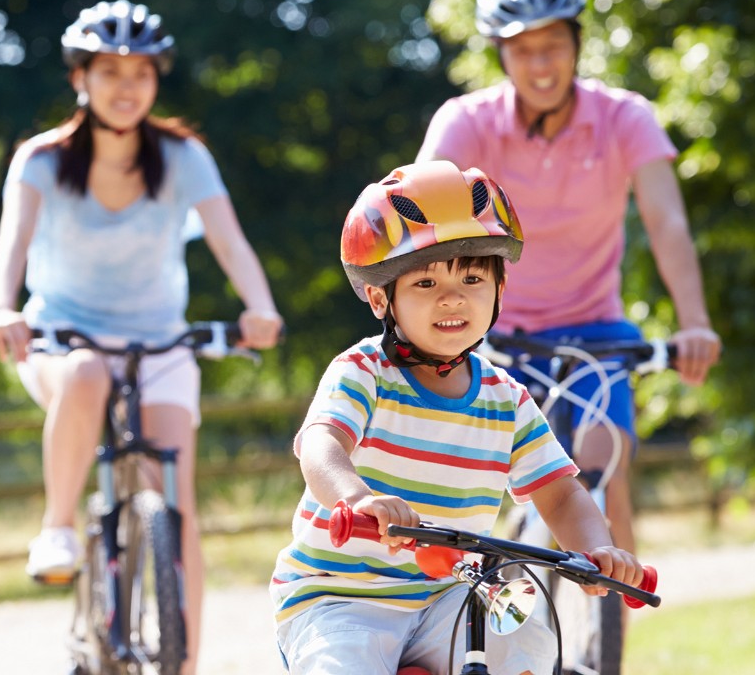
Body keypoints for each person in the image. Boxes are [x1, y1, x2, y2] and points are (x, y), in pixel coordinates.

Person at [0, 0, 283, 675]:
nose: (126, 87)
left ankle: (182, 666)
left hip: (161, 346)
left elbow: (231, 243)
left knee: (175, 502)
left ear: (157, 82)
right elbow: (12, 247)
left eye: (141, 73)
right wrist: (4, 309)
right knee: (87, 375)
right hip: (63, 341)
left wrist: (258, 307)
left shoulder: (183, 157)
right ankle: (59, 529)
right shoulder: (41, 160)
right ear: (79, 79)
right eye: (109, 70)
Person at [269, 161, 643, 675]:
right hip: (341, 597)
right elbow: (320, 444)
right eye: (424, 283)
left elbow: (558, 491)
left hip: (452, 592)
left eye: (472, 277)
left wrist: (597, 548)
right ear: (382, 297)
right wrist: (358, 499)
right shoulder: (363, 371)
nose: (452, 297)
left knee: (527, 639)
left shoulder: (505, 398)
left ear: (499, 293)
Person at [415, 0, 722, 559]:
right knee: (463, 482)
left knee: (604, 474)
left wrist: (694, 321)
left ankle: (607, 641)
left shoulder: (624, 117)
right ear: (502, 55)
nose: (540, 64)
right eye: (523, 50)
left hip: (595, 330)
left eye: (553, 46)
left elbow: (668, 222)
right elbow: (416, 215)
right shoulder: (467, 122)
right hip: (492, 331)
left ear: (576, 44)